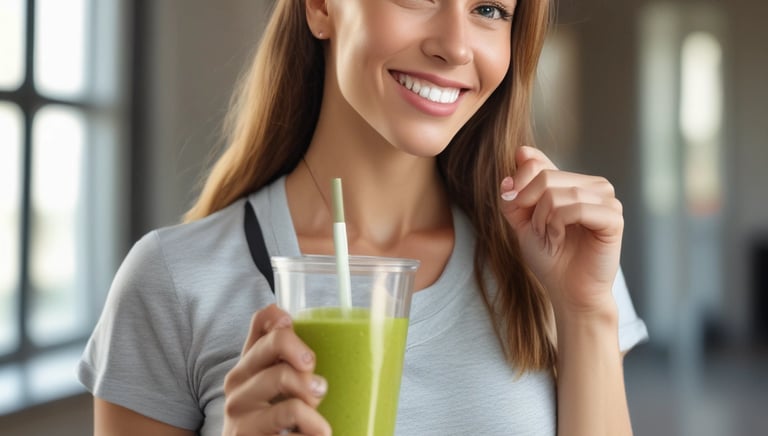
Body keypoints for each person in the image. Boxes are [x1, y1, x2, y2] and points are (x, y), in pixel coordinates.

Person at [78, 0, 648, 435]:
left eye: (489, 9)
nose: (455, 45)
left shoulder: (558, 259)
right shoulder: (173, 282)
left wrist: (585, 311)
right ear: (322, 7)